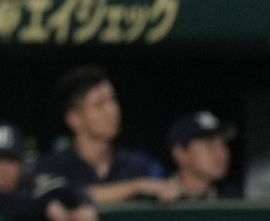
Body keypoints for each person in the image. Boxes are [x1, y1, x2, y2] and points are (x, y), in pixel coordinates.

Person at [33, 65, 180, 205]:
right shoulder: (51, 167)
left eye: (113, 100)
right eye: (99, 104)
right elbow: (66, 196)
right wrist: (135, 187)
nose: (113, 110)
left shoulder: (139, 166)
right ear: (74, 119)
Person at [166, 110, 242, 200]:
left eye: (223, 143)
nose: (222, 153)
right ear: (180, 153)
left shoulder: (233, 199)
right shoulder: (153, 198)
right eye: (209, 144)